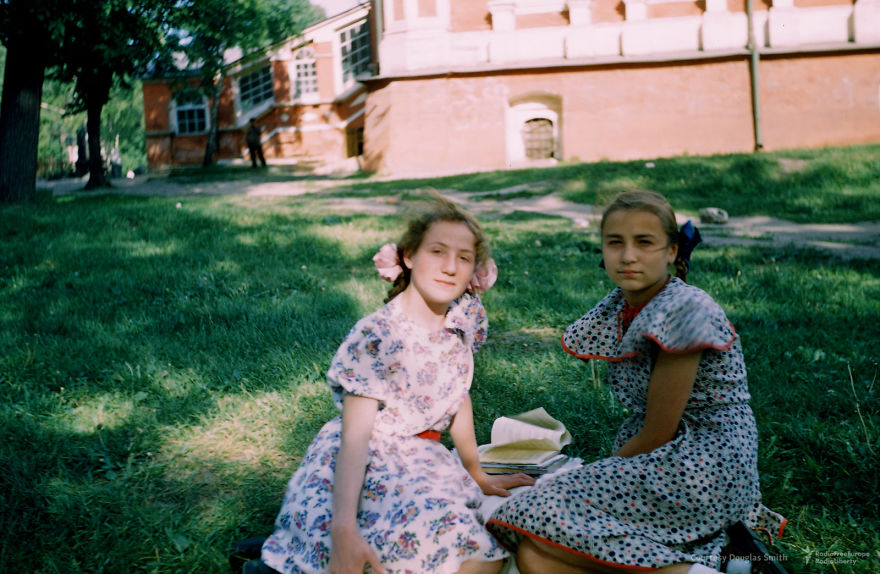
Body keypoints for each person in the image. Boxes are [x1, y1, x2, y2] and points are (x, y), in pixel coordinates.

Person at [486, 190, 787, 574]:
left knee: (531, 510)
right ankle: (726, 561)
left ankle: (707, 569)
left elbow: (659, 431)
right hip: (667, 460)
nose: (628, 256)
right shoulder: (624, 305)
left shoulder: (684, 309)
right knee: (534, 554)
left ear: (672, 252)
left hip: (705, 464)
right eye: (615, 243)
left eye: (644, 242)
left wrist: (594, 477)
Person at [259, 194, 535, 574]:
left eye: (465, 257)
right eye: (437, 251)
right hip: (369, 460)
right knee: (395, 554)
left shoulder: (462, 318)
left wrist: (476, 471)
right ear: (409, 256)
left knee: (487, 558)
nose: (451, 267)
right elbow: (355, 439)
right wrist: (342, 529)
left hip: (426, 460)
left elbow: (458, 394)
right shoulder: (378, 334)